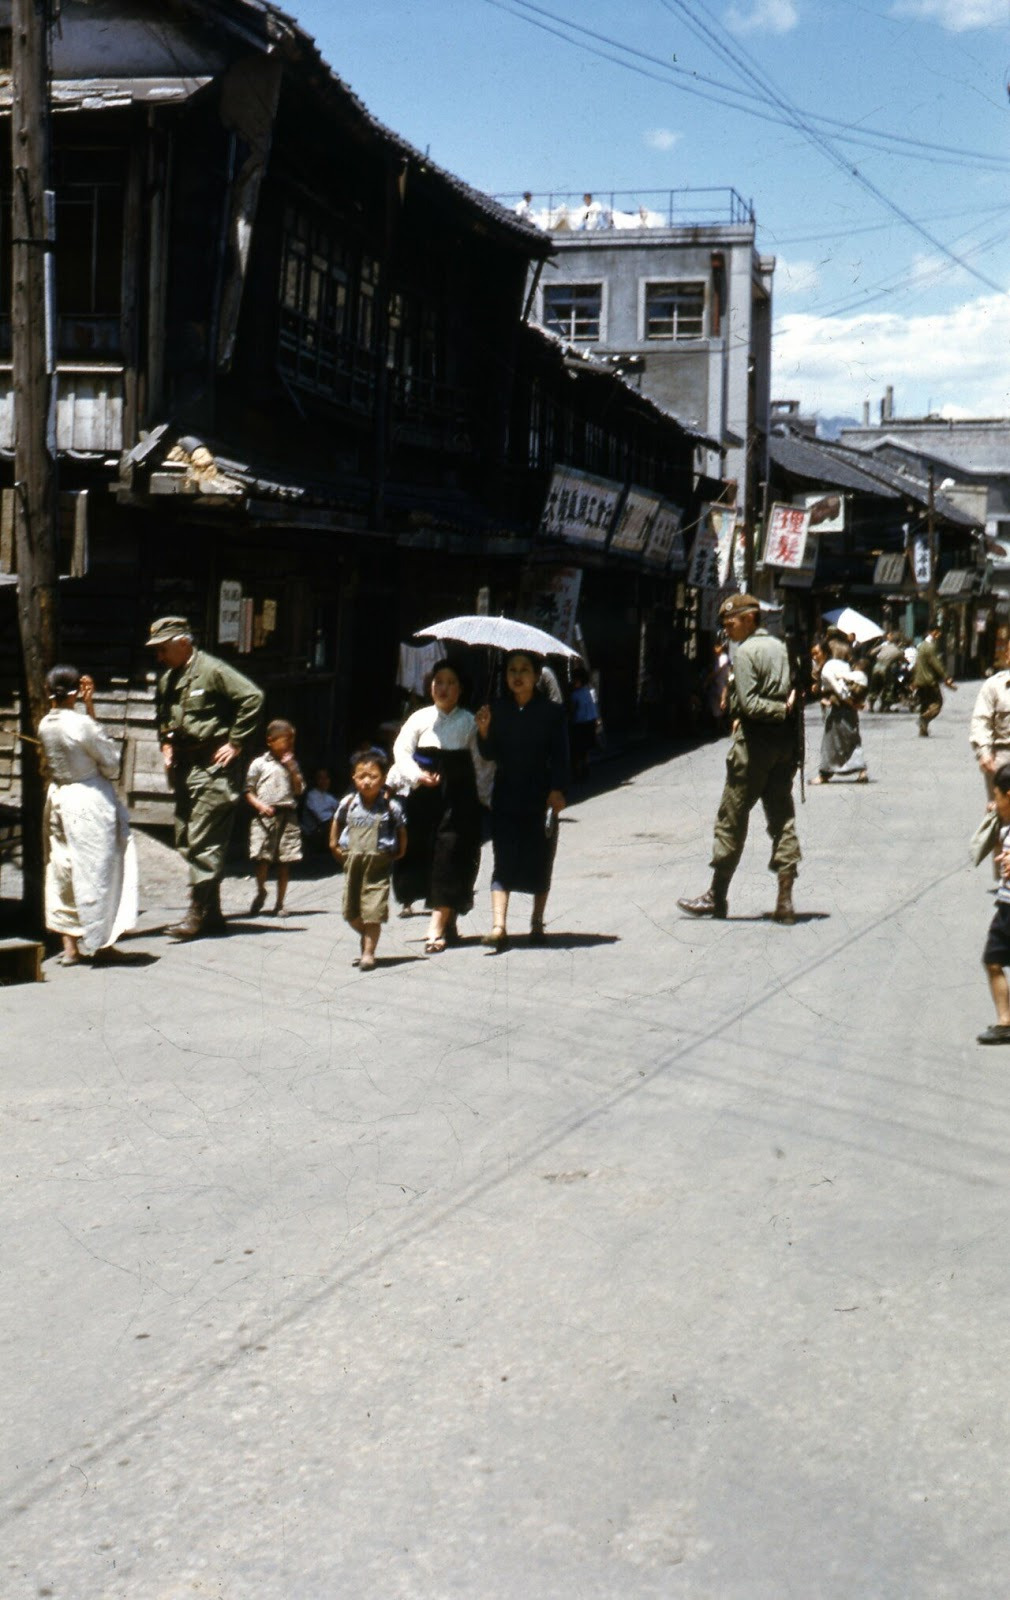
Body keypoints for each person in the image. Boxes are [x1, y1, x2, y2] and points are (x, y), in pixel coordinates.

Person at [678, 593, 801, 924]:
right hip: (784, 747)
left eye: (730, 623)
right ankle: (785, 900)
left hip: (753, 748)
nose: (727, 629)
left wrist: (776, 709)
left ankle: (716, 896)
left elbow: (748, 705)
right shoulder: (782, 648)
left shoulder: (746, 653)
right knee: (782, 819)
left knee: (731, 818)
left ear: (749, 618)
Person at [146, 616, 264, 940]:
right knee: (187, 839)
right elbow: (164, 717)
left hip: (213, 769)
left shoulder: (212, 670)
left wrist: (236, 742)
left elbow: (252, 698)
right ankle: (213, 915)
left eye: (163, 649)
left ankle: (197, 913)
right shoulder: (168, 679)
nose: (159, 657)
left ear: (184, 643)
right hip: (185, 769)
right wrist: (166, 742)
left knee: (203, 841)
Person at [37, 665, 138, 965]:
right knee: (98, 871)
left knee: (62, 868)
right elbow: (110, 763)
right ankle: (101, 942)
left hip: (59, 796)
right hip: (88, 800)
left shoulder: (45, 724)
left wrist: (87, 704)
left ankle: (69, 945)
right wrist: (89, 706)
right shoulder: (81, 724)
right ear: (76, 692)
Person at [390, 659, 492, 954]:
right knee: (429, 857)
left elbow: (482, 763)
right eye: (438, 681)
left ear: (460, 689)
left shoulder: (469, 721)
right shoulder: (419, 718)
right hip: (424, 799)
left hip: (459, 800)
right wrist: (415, 775)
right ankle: (447, 920)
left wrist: (485, 733)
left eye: (450, 682)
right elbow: (401, 751)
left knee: (451, 857)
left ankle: (435, 928)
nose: (443, 687)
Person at [475, 650, 570, 948]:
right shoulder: (497, 710)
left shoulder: (552, 713)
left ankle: (537, 922)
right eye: (512, 670)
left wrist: (558, 790)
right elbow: (490, 754)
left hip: (540, 798)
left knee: (541, 860)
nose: (517, 676)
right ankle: (498, 926)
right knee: (502, 860)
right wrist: (484, 730)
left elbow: (562, 756)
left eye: (524, 670)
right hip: (506, 796)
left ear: (536, 675)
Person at [330, 748, 407, 971]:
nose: (366, 782)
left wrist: (401, 849)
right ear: (353, 778)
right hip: (352, 861)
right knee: (351, 912)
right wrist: (333, 844)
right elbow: (337, 821)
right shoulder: (348, 803)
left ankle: (368, 953)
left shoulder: (391, 807)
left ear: (382, 779)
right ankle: (367, 935)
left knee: (373, 911)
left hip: (379, 863)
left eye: (372, 777)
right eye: (361, 776)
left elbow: (402, 829)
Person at [245, 719, 305, 916]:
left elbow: (299, 790)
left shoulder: (292, 764)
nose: (290, 746)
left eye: (292, 742)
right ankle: (261, 890)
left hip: (287, 814)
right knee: (262, 858)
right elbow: (248, 790)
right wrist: (260, 805)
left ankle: (280, 903)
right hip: (265, 817)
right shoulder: (259, 764)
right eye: (286, 741)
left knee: (285, 861)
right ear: (270, 741)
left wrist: (293, 770)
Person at [976, 764, 1010, 1044]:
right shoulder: (1005, 825)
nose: (992, 801)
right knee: (993, 960)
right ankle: (1005, 1022)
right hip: (1005, 906)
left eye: (996, 795)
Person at [810, 638, 868, 785]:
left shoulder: (828, 668)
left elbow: (840, 690)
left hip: (840, 709)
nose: (814, 657)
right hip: (847, 709)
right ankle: (861, 770)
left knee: (830, 742)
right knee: (852, 739)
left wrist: (853, 704)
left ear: (825, 653)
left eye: (817, 653)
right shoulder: (841, 664)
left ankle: (824, 774)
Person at [913, 623, 956, 737]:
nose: (939, 634)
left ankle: (923, 730)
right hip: (929, 680)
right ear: (932, 632)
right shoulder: (930, 647)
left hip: (920, 680)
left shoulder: (921, 645)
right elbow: (937, 664)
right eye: (937, 632)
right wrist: (947, 677)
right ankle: (924, 718)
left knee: (924, 704)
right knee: (937, 703)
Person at [568, 663, 601, 779]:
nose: (573, 682)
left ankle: (578, 772)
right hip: (590, 722)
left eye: (575, 680)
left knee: (577, 750)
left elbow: (573, 710)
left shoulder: (575, 695)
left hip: (580, 723)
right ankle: (586, 769)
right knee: (585, 749)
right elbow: (594, 706)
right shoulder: (589, 691)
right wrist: (597, 720)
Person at [300, 766, 338, 851]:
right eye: (321, 778)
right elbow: (323, 818)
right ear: (316, 780)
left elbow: (339, 809)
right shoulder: (312, 795)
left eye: (326, 778)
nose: (324, 781)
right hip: (313, 834)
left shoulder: (329, 797)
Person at [867, 629, 902, 713]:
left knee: (874, 686)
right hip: (885, 669)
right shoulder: (899, 651)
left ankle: (871, 706)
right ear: (899, 642)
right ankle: (885, 706)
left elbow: (871, 653)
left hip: (876, 667)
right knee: (889, 686)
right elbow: (903, 661)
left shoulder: (884, 646)